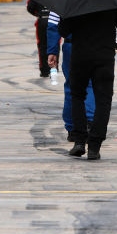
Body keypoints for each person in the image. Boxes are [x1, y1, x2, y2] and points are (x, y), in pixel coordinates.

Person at [52, 0, 117, 160]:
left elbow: (63, 29)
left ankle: (79, 141)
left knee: (77, 96)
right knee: (103, 100)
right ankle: (95, 145)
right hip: (104, 55)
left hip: (80, 54)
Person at [47, 10, 96, 139]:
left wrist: (52, 51)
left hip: (71, 44)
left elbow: (53, 24)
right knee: (91, 84)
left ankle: (72, 126)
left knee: (72, 86)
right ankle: (89, 121)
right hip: (94, 44)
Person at [26, 0, 51, 77]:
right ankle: (54, 68)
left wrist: (38, 14)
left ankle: (44, 70)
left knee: (42, 46)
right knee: (54, 45)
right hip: (54, 20)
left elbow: (30, 7)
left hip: (42, 20)